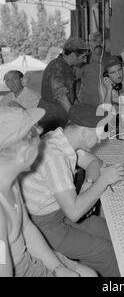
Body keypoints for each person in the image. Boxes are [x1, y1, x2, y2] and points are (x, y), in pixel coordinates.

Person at [20, 104, 124, 277]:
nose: (102, 139)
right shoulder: (55, 156)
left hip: (59, 214)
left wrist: (89, 184)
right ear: (84, 131)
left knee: (112, 231)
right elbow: (75, 212)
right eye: (100, 132)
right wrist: (103, 181)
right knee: (105, 252)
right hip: (43, 226)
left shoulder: (62, 139)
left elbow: (94, 163)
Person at [0, 106, 96, 277]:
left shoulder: (10, 181)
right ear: (25, 153)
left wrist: (58, 268)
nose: (41, 141)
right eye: (35, 137)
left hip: (31, 257)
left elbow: (27, 227)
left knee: (89, 274)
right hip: (21, 269)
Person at [39, 37, 90, 131]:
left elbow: (71, 96)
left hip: (61, 114)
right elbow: (60, 95)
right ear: (73, 55)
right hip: (52, 118)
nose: (85, 61)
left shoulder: (67, 67)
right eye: (83, 57)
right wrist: (74, 117)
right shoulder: (56, 67)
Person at [77, 31, 110, 106]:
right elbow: (72, 80)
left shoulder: (110, 59)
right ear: (89, 44)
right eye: (94, 41)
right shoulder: (83, 60)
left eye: (101, 41)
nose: (98, 43)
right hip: (87, 104)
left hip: (105, 103)